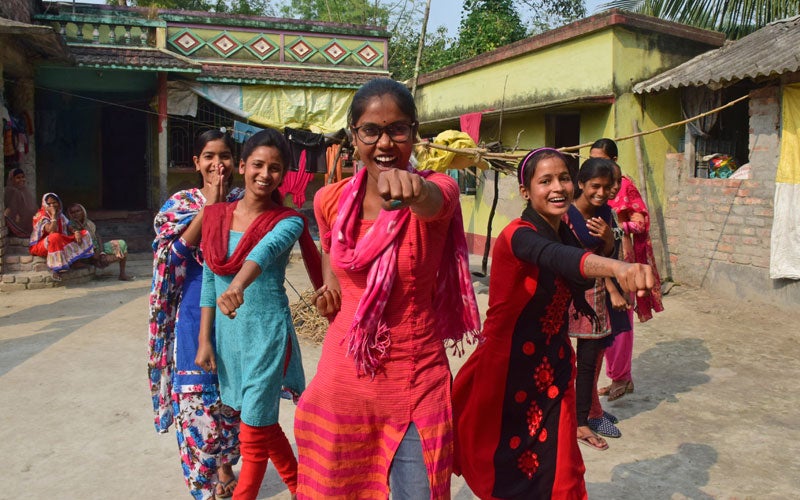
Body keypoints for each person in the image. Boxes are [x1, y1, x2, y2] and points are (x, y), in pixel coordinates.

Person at [293, 77, 481, 499]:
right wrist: (329, 290)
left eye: (398, 129)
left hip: (417, 380)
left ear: (414, 133)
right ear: (352, 136)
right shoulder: (329, 200)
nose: (384, 143)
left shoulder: (439, 187)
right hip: (344, 378)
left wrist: (417, 191)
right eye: (371, 131)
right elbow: (331, 252)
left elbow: (437, 202)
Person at [452, 148, 654, 499]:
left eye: (563, 178)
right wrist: (618, 268)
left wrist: (608, 247)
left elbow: (576, 262)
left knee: (563, 471)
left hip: (553, 368)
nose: (557, 187)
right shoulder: (518, 234)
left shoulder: (566, 231)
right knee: (507, 466)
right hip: (507, 370)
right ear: (526, 191)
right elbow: (558, 258)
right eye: (545, 181)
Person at [195, 128, 322, 500]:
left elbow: (263, 253)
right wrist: (205, 340)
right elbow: (208, 279)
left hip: (267, 335)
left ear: (285, 175)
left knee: (251, 434)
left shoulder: (289, 220)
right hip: (230, 338)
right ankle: (303, 488)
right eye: (258, 165)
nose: (265, 175)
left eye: (276, 168)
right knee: (261, 424)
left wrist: (238, 286)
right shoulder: (216, 216)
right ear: (243, 165)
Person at [148, 130, 242, 499]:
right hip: (191, 314)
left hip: (236, 311)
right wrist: (209, 210)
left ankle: (226, 467)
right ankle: (203, 485)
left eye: (225, 156)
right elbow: (171, 259)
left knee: (231, 402)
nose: (217, 164)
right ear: (196, 163)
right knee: (197, 402)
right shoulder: (179, 204)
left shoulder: (245, 201)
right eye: (209, 156)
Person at [590, 138, 664, 401]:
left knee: (621, 319)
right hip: (599, 259)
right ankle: (614, 374)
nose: (596, 164)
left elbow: (641, 222)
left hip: (622, 257)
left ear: (614, 161)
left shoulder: (625, 186)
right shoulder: (593, 186)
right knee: (603, 317)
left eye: (601, 159)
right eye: (592, 159)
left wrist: (617, 231)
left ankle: (622, 377)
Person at [564, 157, 629, 446]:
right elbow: (569, 259)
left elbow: (609, 257)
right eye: (595, 186)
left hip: (597, 294)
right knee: (563, 360)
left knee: (591, 361)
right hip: (567, 297)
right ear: (581, 184)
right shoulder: (565, 215)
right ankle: (575, 417)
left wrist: (607, 240)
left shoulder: (605, 214)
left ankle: (586, 416)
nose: (601, 193)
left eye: (607, 187)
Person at [29, 192, 94, 281]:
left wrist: (75, 232)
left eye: (54, 202)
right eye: (49, 204)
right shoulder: (41, 215)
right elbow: (51, 230)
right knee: (54, 237)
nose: (52, 205)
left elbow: (69, 225)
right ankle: (55, 269)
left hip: (58, 241)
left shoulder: (60, 214)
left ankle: (76, 261)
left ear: (58, 203)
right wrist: (53, 215)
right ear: (44, 204)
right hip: (41, 245)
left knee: (84, 234)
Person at [67, 203, 134, 281]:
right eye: (72, 212)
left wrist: (102, 253)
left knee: (121, 244)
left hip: (97, 250)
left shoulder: (89, 224)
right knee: (95, 257)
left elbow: (98, 238)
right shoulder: (70, 226)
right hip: (83, 254)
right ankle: (94, 261)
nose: (75, 214)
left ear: (83, 211)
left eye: (77, 211)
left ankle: (122, 274)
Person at [4, 168, 37, 237]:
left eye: (23, 177)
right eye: (18, 178)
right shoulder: (11, 190)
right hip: (19, 222)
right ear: (12, 179)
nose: (21, 179)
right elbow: (11, 209)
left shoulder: (24, 190)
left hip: (29, 223)